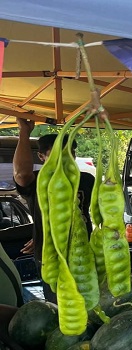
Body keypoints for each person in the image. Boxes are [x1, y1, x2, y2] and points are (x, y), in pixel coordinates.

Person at [13, 118, 95, 303]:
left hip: (83, 251)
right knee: (60, 305)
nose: (67, 157)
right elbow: (21, 174)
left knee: (88, 301)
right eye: (59, 152)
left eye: (71, 152)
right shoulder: (37, 180)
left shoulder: (86, 179)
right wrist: (24, 132)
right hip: (50, 255)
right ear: (41, 157)